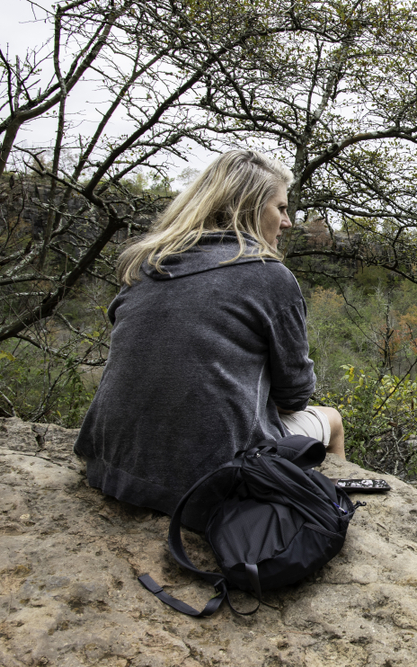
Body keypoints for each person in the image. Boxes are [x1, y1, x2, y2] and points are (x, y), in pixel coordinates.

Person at [74, 150, 343, 529]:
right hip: (205, 486)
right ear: (248, 207)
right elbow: (295, 395)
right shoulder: (269, 275)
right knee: (331, 420)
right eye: (280, 208)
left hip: (108, 470)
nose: (287, 222)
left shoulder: (146, 264)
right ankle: (320, 506)